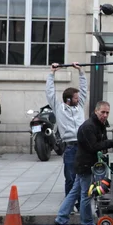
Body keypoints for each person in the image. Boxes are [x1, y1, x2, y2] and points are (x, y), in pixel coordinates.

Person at [55, 101, 113, 225]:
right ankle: (87, 222)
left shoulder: (100, 124)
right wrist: (111, 143)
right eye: (103, 112)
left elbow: (100, 142)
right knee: (86, 194)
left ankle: (61, 217)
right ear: (96, 111)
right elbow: (93, 146)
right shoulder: (89, 126)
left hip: (88, 163)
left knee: (75, 192)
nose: (105, 115)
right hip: (85, 165)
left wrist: (106, 145)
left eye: (107, 112)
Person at [46, 62, 87, 203]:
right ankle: (70, 202)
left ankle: (81, 202)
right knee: (70, 176)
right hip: (70, 146)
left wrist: (80, 71)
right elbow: (50, 93)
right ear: (68, 100)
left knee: (84, 176)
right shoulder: (59, 108)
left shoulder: (80, 106)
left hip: (83, 146)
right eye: (75, 98)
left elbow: (84, 89)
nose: (78, 99)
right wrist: (52, 73)